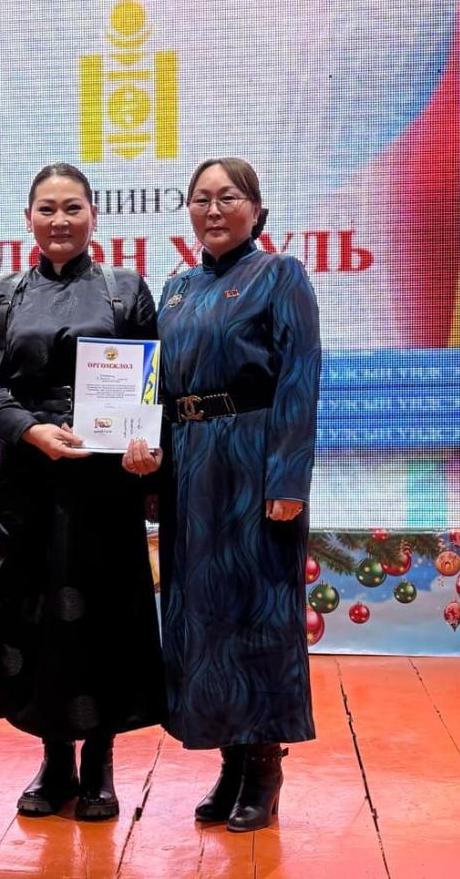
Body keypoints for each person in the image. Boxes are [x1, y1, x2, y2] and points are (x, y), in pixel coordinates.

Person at [0, 162, 165, 822]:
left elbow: (152, 381)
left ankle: (99, 763)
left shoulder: (125, 290)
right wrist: (28, 429)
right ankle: (54, 761)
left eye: (72, 208)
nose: (59, 220)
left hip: (105, 485)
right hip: (29, 480)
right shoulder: (2, 294)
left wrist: (144, 445)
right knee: (36, 618)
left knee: (103, 616)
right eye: (46, 209)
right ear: (28, 218)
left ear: (93, 216)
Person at [130, 157, 320, 833]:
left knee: (256, 613)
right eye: (201, 198)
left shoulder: (280, 275)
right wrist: (147, 465)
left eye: (228, 197)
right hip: (188, 467)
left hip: (251, 461)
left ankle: (264, 768)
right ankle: (230, 763)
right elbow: (151, 386)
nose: (214, 210)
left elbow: (299, 378)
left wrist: (287, 479)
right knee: (202, 617)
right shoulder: (176, 288)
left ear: (256, 209)